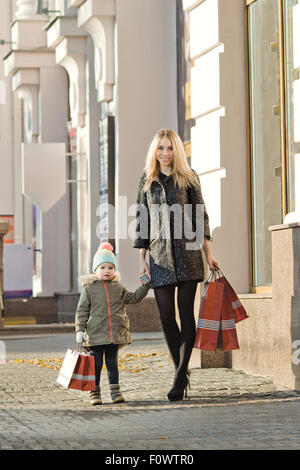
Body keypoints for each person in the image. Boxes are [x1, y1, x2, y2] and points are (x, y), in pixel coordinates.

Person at [133, 129, 219, 401]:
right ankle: (181, 371)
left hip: (188, 254)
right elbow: (141, 219)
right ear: (154, 151)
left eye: (170, 148)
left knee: (185, 314)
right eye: (161, 148)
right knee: (167, 317)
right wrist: (142, 260)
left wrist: (209, 253)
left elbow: (200, 215)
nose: (165, 153)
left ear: (177, 151)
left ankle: (180, 376)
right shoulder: (147, 180)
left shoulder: (189, 178)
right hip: (159, 258)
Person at [75, 242, 150, 405]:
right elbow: (82, 311)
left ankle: (115, 392)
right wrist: (79, 330)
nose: (107, 271)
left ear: (114, 270)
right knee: (96, 365)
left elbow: (132, 298)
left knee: (112, 364)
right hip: (95, 336)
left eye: (110, 267)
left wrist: (145, 286)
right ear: (96, 270)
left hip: (113, 335)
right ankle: (94, 392)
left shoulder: (118, 287)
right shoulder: (89, 288)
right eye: (102, 268)